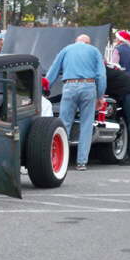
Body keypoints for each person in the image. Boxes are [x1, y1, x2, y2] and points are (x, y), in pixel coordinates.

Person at [46, 34, 107, 171]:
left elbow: (53, 70)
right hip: (89, 86)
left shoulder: (66, 49)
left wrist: (45, 89)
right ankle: (81, 162)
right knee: (86, 125)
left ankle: (62, 160)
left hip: (69, 86)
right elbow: (101, 75)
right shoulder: (94, 51)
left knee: (64, 123)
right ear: (88, 42)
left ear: (76, 41)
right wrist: (100, 96)